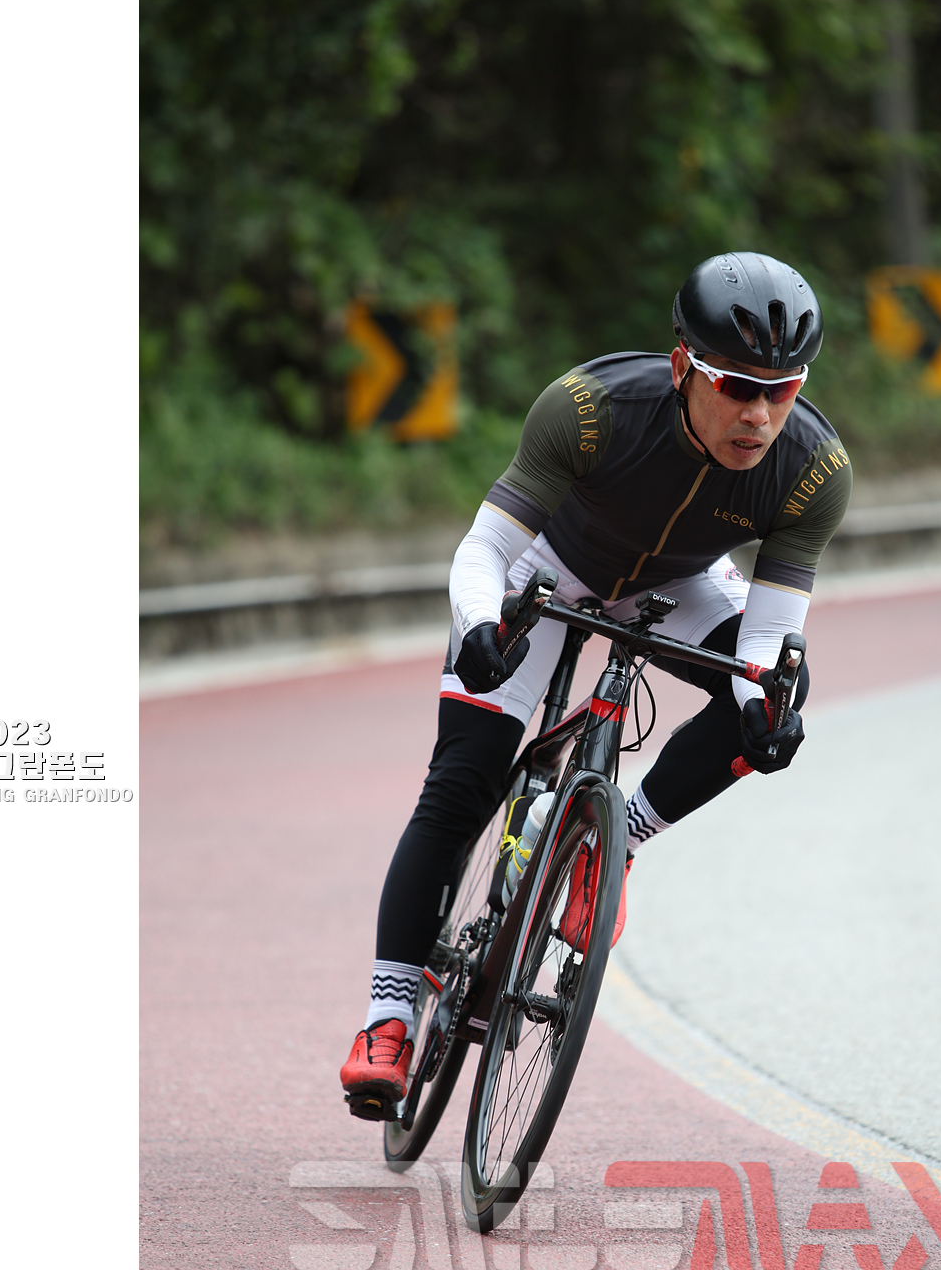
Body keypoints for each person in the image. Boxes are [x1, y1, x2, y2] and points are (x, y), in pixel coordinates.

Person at [341, 251, 853, 1116]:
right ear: (684, 366)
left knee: (771, 703)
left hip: (681, 584)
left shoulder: (813, 469)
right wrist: (480, 626)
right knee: (462, 782)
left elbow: (768, 636)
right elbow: (487, 548)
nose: (760, 415)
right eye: (737, 386)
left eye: (783, 390)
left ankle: (612, 844)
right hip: (551, 568)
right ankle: (387, 1017)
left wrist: (765, 705)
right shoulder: (590, 408)